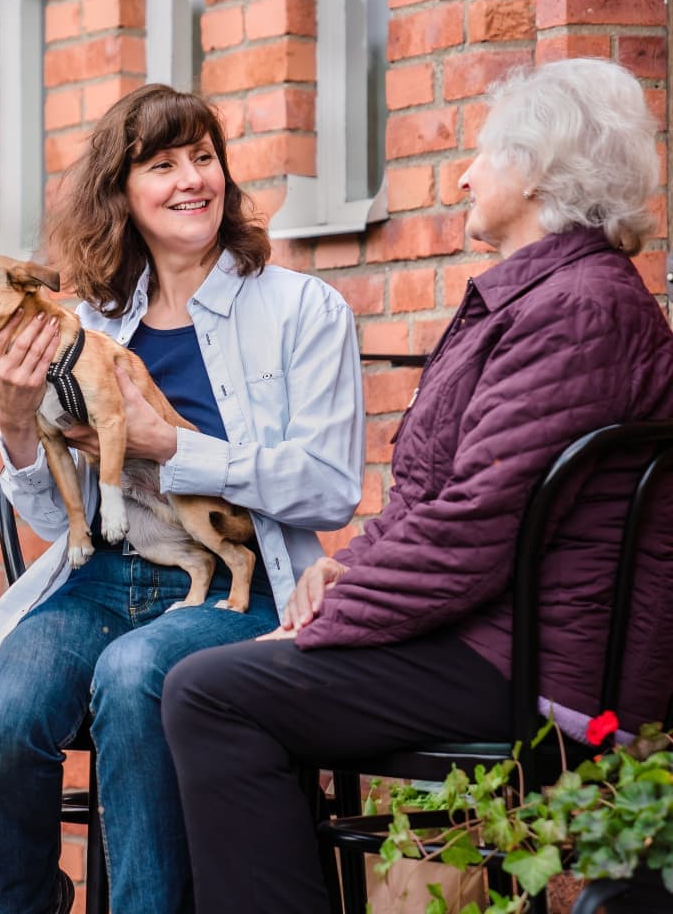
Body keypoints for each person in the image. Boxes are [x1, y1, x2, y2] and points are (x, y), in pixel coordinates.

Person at [161, 57, 673, 912]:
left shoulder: (577, 311)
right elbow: (441, 500)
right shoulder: (548, 301)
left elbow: (478, 528)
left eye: (485, 155)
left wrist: (324, 630)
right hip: (502, 636)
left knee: (213, 693)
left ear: (539, 172)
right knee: (218, 682)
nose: (465, 175)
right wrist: (346, 572)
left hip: (541, 668)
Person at [0, 84, 366, 913]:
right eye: (162, 164)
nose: (192, 180)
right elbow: (48, 518)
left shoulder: (301, 310)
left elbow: (329, 489)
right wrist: (14, 425)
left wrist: (173, 446)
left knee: (136, 673)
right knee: (2, 716)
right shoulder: (90, 323)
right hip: (104, 580)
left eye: (204, 158)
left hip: (239, 585)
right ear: (123, 193)